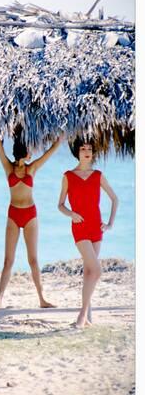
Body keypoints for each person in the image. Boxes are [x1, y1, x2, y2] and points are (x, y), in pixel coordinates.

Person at [0, 131, 62, 309]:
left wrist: (59, 141)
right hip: (13, 214)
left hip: (30, 215)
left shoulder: (32, 168)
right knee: (8, 260)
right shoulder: (9, 168)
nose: (32, 154)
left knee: (33, 260)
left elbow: (49, 153)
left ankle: (42, 299)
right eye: (30, 150)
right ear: (24, 152)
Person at [58, 138, 118, 328]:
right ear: (77, 152)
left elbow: (115, 199)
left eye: (89, 149)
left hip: (96, 228)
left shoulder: (98, 175)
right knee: (97, 270)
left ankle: (84, 319)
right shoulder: (68, 176)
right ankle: (82, 316)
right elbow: (60, 205)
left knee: (89, 272)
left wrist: (109, 224)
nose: (86, 151)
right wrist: (71, 214)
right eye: (83, 148)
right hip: (80, 227)